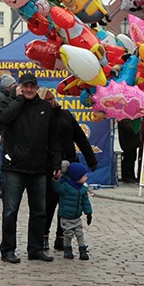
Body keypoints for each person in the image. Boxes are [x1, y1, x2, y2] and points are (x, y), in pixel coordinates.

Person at [0, 72, 61, 263]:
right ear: (20, 87)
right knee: (10, 211)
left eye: (33, 86)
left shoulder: (45, 108)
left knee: (39, 212)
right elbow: (4, 119)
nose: (30, 89)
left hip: (39, 168)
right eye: (26, 86)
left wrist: (56, 162)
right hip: (14, 168)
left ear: (37, 87)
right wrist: (18, 100)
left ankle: (35, 249)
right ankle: (7, 250)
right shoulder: (12, 104)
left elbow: (53, 138)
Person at [42, 89, 98, 251]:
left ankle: (62, 237)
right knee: (49, 204)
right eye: (46, 100)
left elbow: (79, 136)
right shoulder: (40, 118)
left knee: (66, 204)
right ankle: (44, 236)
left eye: (51, 99)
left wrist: (90, 157)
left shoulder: (65, 114)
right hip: (51, 167)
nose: (50, 102)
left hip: (70, 166)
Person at [52, 161, 93, 260]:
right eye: (84, 176)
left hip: (77, 217)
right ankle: (68, 250)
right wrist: (56, 179)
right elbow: (57, 188)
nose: (86, 178)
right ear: (76, 177)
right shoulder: (65, 187)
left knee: (80, 233)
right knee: (68, 234)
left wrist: (88, 212)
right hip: (66, 217)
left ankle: (82, 250)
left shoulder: (82, 189)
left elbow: (85, 202)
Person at [117, 118, 140, 183]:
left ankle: (131, 175)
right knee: (128, 159)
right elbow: (129, 129)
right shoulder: (123, 119)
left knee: (132, 159)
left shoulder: (129, 119)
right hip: (127, 143)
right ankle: (127, 176)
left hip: (132, 143)